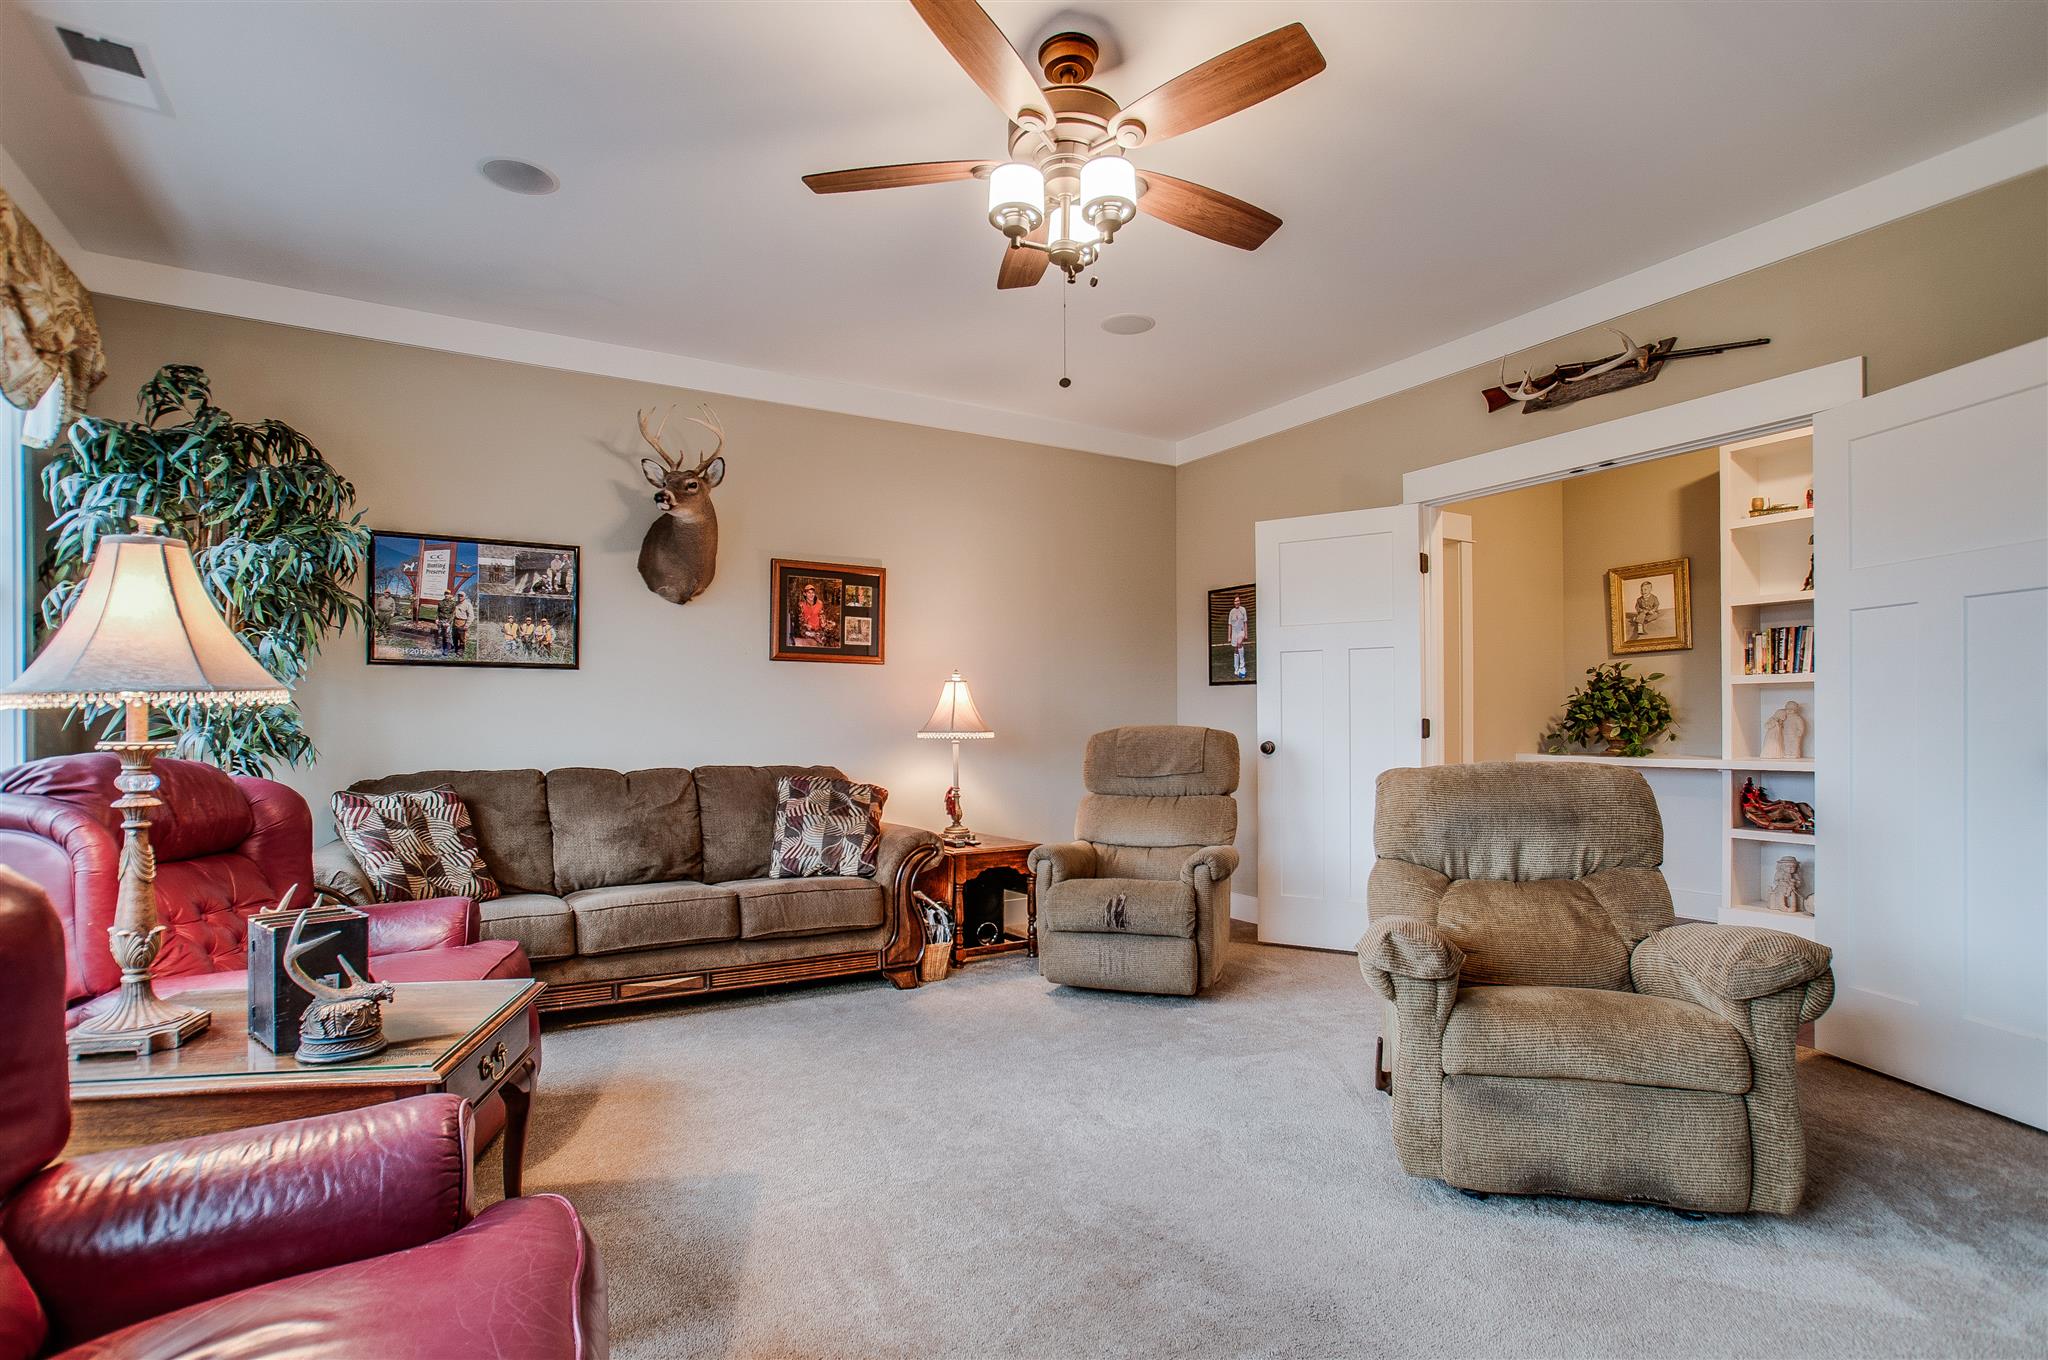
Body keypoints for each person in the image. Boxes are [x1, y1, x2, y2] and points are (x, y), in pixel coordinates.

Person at [1226, 593, 1250, 679]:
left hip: (1241, 631)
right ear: (1233, 602)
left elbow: (1245, 622)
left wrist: (1246, 634)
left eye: (1238, 601)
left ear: (1240, 601)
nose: (1237, 602)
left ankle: (1242, 665)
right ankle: (1236, 668)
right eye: (1235, 601)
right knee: (1236, 649)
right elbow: (1229, 625)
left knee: (1240, 643)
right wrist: (1229, 636)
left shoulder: (1243, 610)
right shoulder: (1231, 612)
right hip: (1234, 633)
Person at [451, 589, 475, 656]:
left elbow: (471, 616)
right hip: (455, 622)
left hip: (462, 623)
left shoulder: (468, 604)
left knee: (462, 638)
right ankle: (456, 648)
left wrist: (466, 625)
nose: (460, 597)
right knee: (454, 637)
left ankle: (461, 650)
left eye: (461, 596)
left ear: (464, 597)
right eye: (458, 596)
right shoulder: (455, 603)